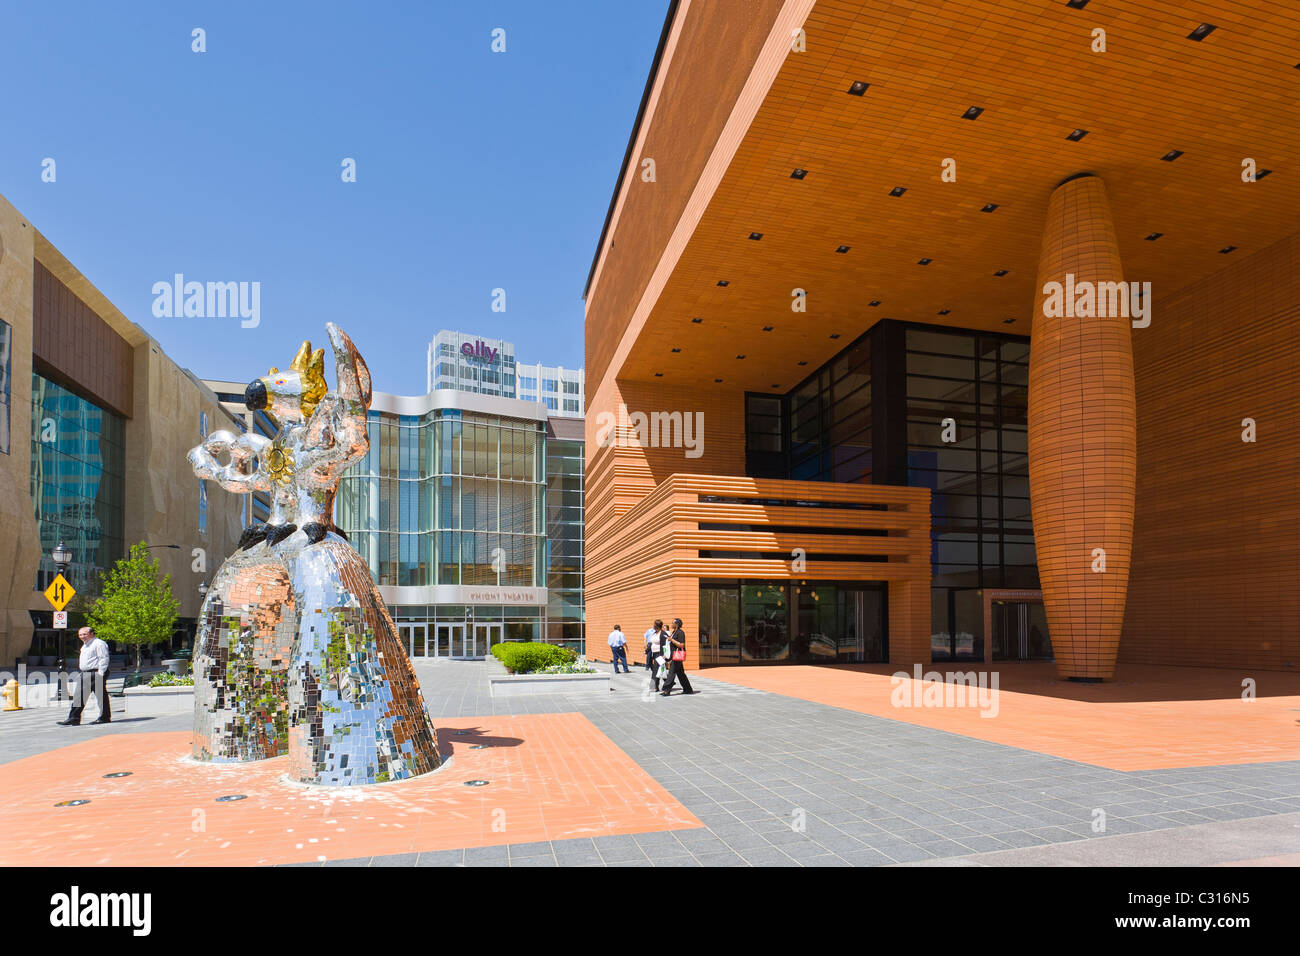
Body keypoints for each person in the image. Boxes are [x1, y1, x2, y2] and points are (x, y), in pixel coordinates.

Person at [58, 626, 111, 725]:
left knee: (99, 696)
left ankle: (103, 717)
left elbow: (104, 658)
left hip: (95, 672)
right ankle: (74, 718)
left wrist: (100, 673)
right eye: (80, 635)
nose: (82, 636)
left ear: (92, 634)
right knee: (80, 695)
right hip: (86, 673)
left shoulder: (98, 643)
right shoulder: (85, 645)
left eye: (84, 634)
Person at [660, 617, 695, 696]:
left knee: (671, 672)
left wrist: (671, 640)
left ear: (677, 624)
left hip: (677, 656)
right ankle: (688, 689)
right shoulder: (673, 632)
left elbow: (681, 644)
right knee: (680, 673)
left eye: (673, 623)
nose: (671, 624)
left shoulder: (680, 632)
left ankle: (666, 690)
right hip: (673, 655)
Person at [643, 620, 663, 691]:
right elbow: (651, 643)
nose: (653, 626)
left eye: (654, 624)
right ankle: (667, 682)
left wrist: (664, 655)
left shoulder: (662, 634)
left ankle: (654, 686)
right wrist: (646, 651)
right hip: (654, 654)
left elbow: (665, 645)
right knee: (660, 671)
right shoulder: (655, 633)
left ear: (656, 626)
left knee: (655, 670)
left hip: (660, 654)